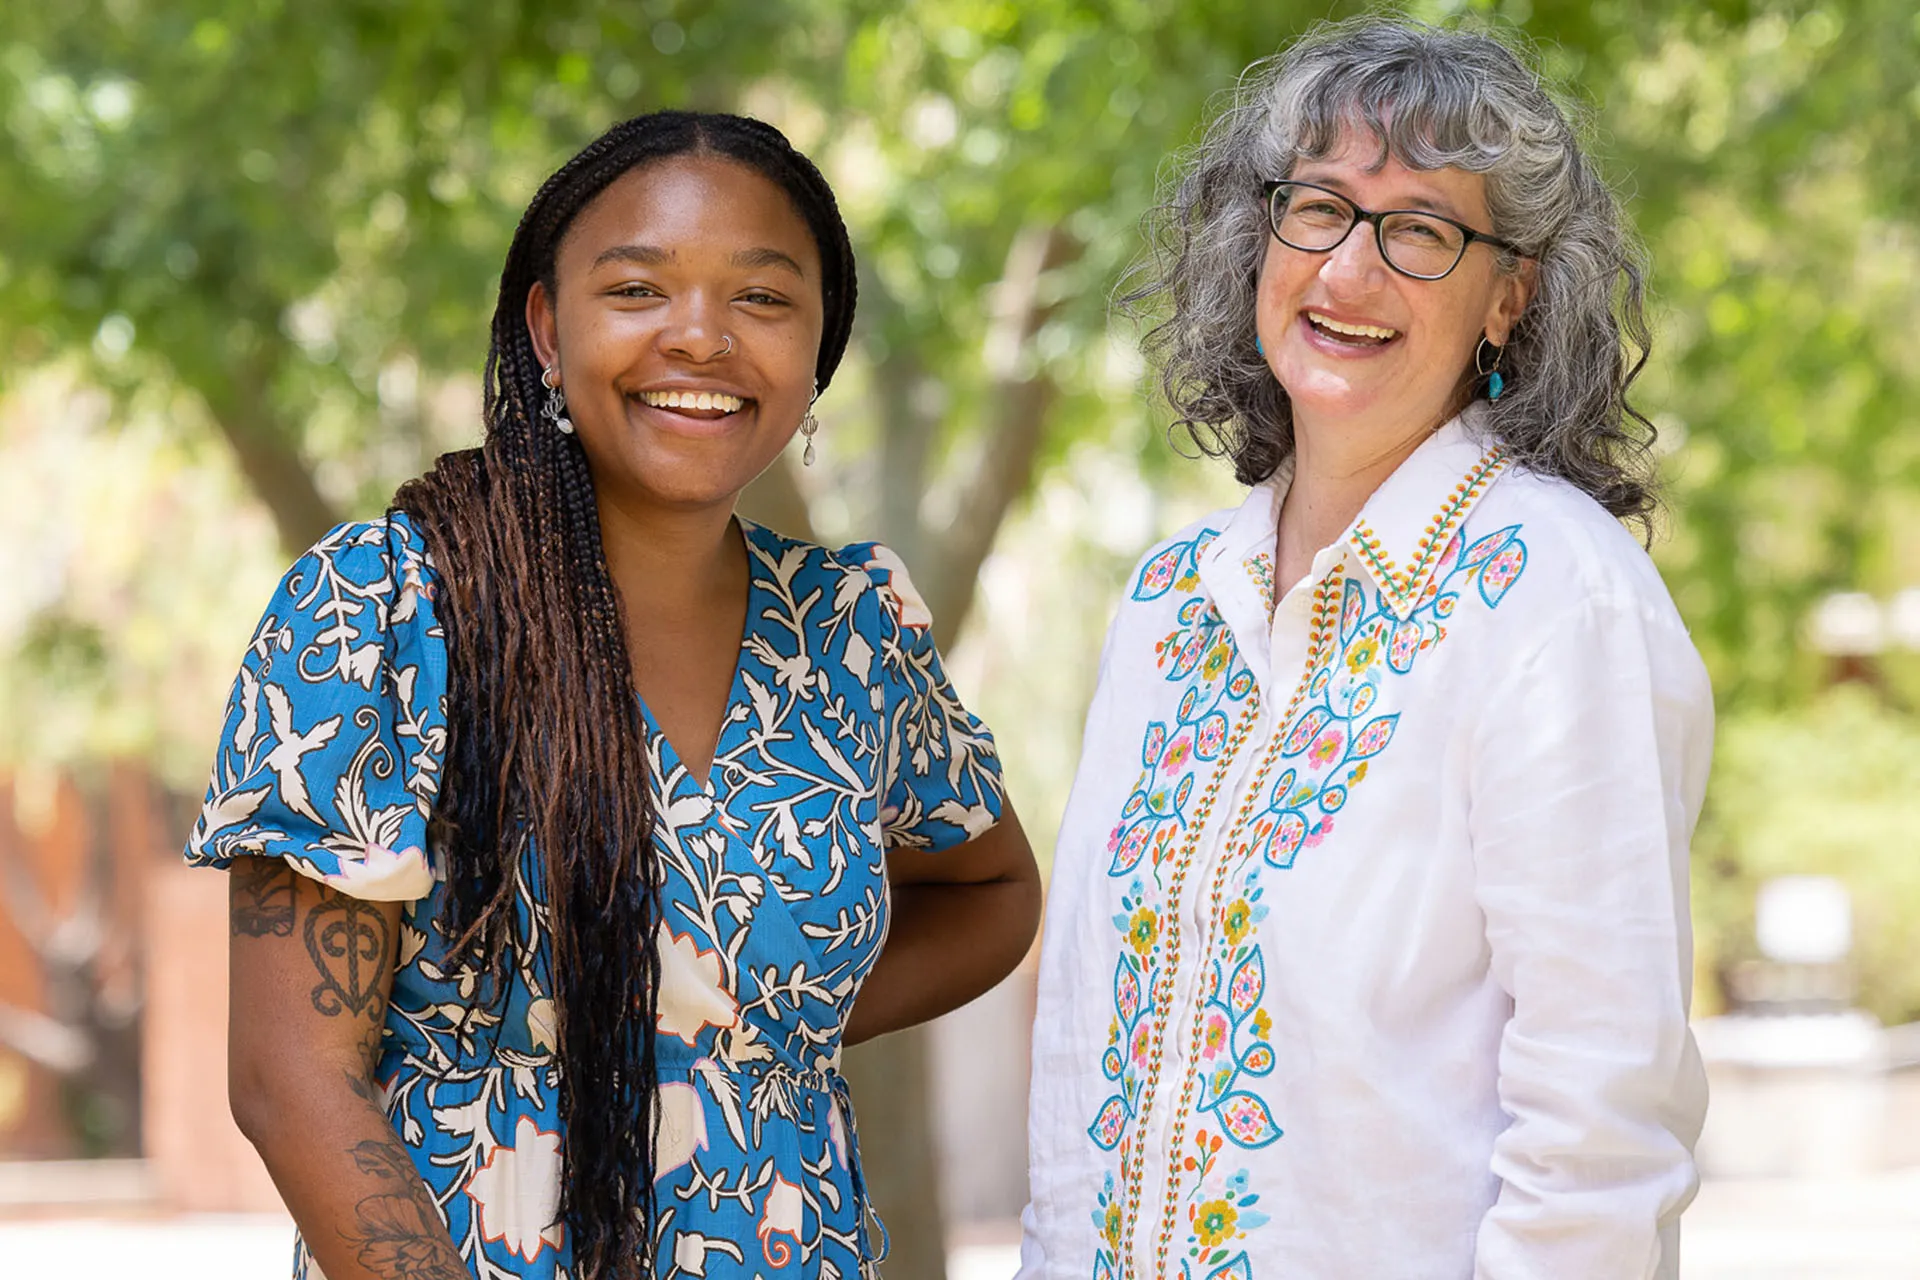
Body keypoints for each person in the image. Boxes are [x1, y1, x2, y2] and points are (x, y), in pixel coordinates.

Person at [186, 110, 1040, 1280]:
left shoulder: (849, 634)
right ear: (548, 326)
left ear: (818, 345)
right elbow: (290, 1080)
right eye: (638, 290)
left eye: (763, 298)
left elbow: (989, 888)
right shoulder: (383, 610)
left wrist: (749, 1029)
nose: (701, 338)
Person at [1019, 19, 1710, 1280]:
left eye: (1421, 229)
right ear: (1257, 234)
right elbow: (1080, 1053)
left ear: (1513, 293)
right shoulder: (1168, 604)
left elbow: (1601, 1132)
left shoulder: (1558, 600)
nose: (1349, 270)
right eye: (1321, 206)